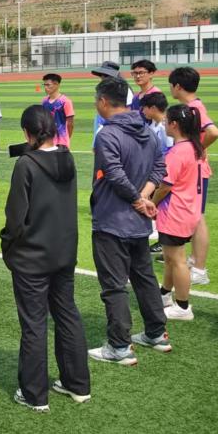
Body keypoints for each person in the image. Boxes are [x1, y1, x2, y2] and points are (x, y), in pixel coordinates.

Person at [1, 106, 90, 413]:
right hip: (63, 252)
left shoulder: (26, 164)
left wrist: (7, 243)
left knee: (34, 324)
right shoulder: (67, 157)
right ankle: (77, 384)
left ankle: (34, 394)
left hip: (32, 257)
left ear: (27, 133)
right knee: (67, 315)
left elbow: (15, 217)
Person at [88, 76, 170, 366]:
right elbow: (160, 166)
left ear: (103, 101)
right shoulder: (146, 131)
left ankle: (119, 345)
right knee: (144, 278)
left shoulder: (107, 135)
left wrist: (138, 199)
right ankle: (156, 333)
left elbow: (114, 173)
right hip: (138, 221)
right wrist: (145, 196)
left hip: (112, 220)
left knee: (114, 285)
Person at [168, 66, 218, 286]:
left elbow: (213, 132)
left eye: (171, 85)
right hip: (192, 169)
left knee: (198, 217)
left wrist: (198, 149)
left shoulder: (194, 108)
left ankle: (199, 268)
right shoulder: (193, 106)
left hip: (195, 171)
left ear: (178, 86)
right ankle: (195, 261)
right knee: (195, 216)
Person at [154, 104, 206, 322]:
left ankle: (183, 306)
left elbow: (165, 186)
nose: (164, 123)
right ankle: (165, 293)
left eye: (167, 121)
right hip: (188, 209)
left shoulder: (178, 152)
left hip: (175, 211)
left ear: (175, 124)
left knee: (177, 260)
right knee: (170, 257)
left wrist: (151, 203)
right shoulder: (195, 147)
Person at [138, 92, 173, 251]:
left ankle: (163, 241)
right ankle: (156, 233)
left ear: (152, 108)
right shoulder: (153, 125)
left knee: (162, 204)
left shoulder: (166, 127)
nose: (142, 111)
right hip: (154, 170)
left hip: (163, 172)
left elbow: (170, 151)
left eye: (144, 107)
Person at [90, 61, 135, 146]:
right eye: (102, 75)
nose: (102, 78)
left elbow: (128, 112)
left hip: (115, 132)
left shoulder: (125, 90)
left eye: (105, 76)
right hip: (104, 129)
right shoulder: (104, 89)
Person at [40, 73, 74, 147]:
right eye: (44, 85)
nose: (45, 87)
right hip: (47, 141)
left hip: (61, 142)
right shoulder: (44, 101)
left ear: (56, 84)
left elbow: (70, 124)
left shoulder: (65, 101)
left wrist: (66, 138)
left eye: (48, 85)